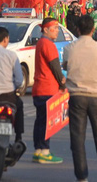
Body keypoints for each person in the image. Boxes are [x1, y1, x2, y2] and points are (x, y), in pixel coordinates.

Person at [62, 15, 97, 182]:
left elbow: (65, 65)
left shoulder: (70, 48)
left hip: (77, 96)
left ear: (77, 29)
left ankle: (82, 177)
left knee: (78, 138)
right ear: (93, 29)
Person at [32, 18, 66, 164]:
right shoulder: (48, 44)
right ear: (45, 29)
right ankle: (45, 151)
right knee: (47, 122)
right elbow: (55, 67)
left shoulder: (40, 43)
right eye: (55, 28)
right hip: (48, 88)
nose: (57, 31)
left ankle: (38, 150)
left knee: (40, 121)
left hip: (39, 88)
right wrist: (62, 83)